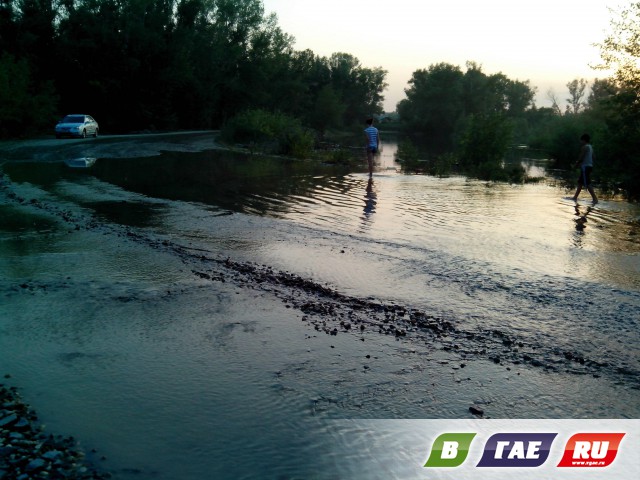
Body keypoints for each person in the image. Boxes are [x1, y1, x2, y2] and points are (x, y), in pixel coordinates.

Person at [571, 133, 598, 205]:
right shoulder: (590, 147)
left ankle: (595, 199)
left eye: (581, 140)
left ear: (584, 140)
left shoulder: (584, 147)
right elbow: (594, 157)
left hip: (585, 167)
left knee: (587, 183)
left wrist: (575, 165)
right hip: (589, 166)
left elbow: (581, 158)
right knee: (580, 182)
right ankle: (575, 197)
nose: (580, 142)